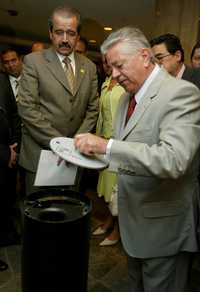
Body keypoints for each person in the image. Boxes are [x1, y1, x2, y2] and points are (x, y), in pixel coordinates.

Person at [74, 27, 200, 292]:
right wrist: (87, 156)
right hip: (133, 224)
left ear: (145, 56)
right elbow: (126, 155)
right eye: (111, 67)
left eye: (119, 65)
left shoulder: (181, 93)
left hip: (163, 228)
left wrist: (107, 146)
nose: (114, 75)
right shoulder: (125, 99)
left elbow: (174, 159)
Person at [17, 5, 98, 195]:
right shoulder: (33, 62)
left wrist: (75, 145)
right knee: (40, 217)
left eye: (70, 33)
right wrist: (61, 145)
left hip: (75, 158)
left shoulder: (90, 67)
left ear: (78, 36)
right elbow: (28, 109)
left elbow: (93, 109)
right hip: (41, 157)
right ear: (50, 33)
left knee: (70, 213)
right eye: (59, 32)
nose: (64, 39)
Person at [93, 56, 124, 246]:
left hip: (119, 144)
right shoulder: (105, 83)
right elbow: (101, 116)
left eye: (110, 62)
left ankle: (118, 230)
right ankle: (109, 220)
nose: (107, 66)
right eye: (104, 62)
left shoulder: (125, 82)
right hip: (103, 142)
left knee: (117, 189)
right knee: (105, 186)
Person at [0, 72, 21, 246]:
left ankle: (7, 232)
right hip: (2, 150)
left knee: (6, 192)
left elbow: (13, 113)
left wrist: (13, 144)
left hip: (8, 148)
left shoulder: (2, 79)